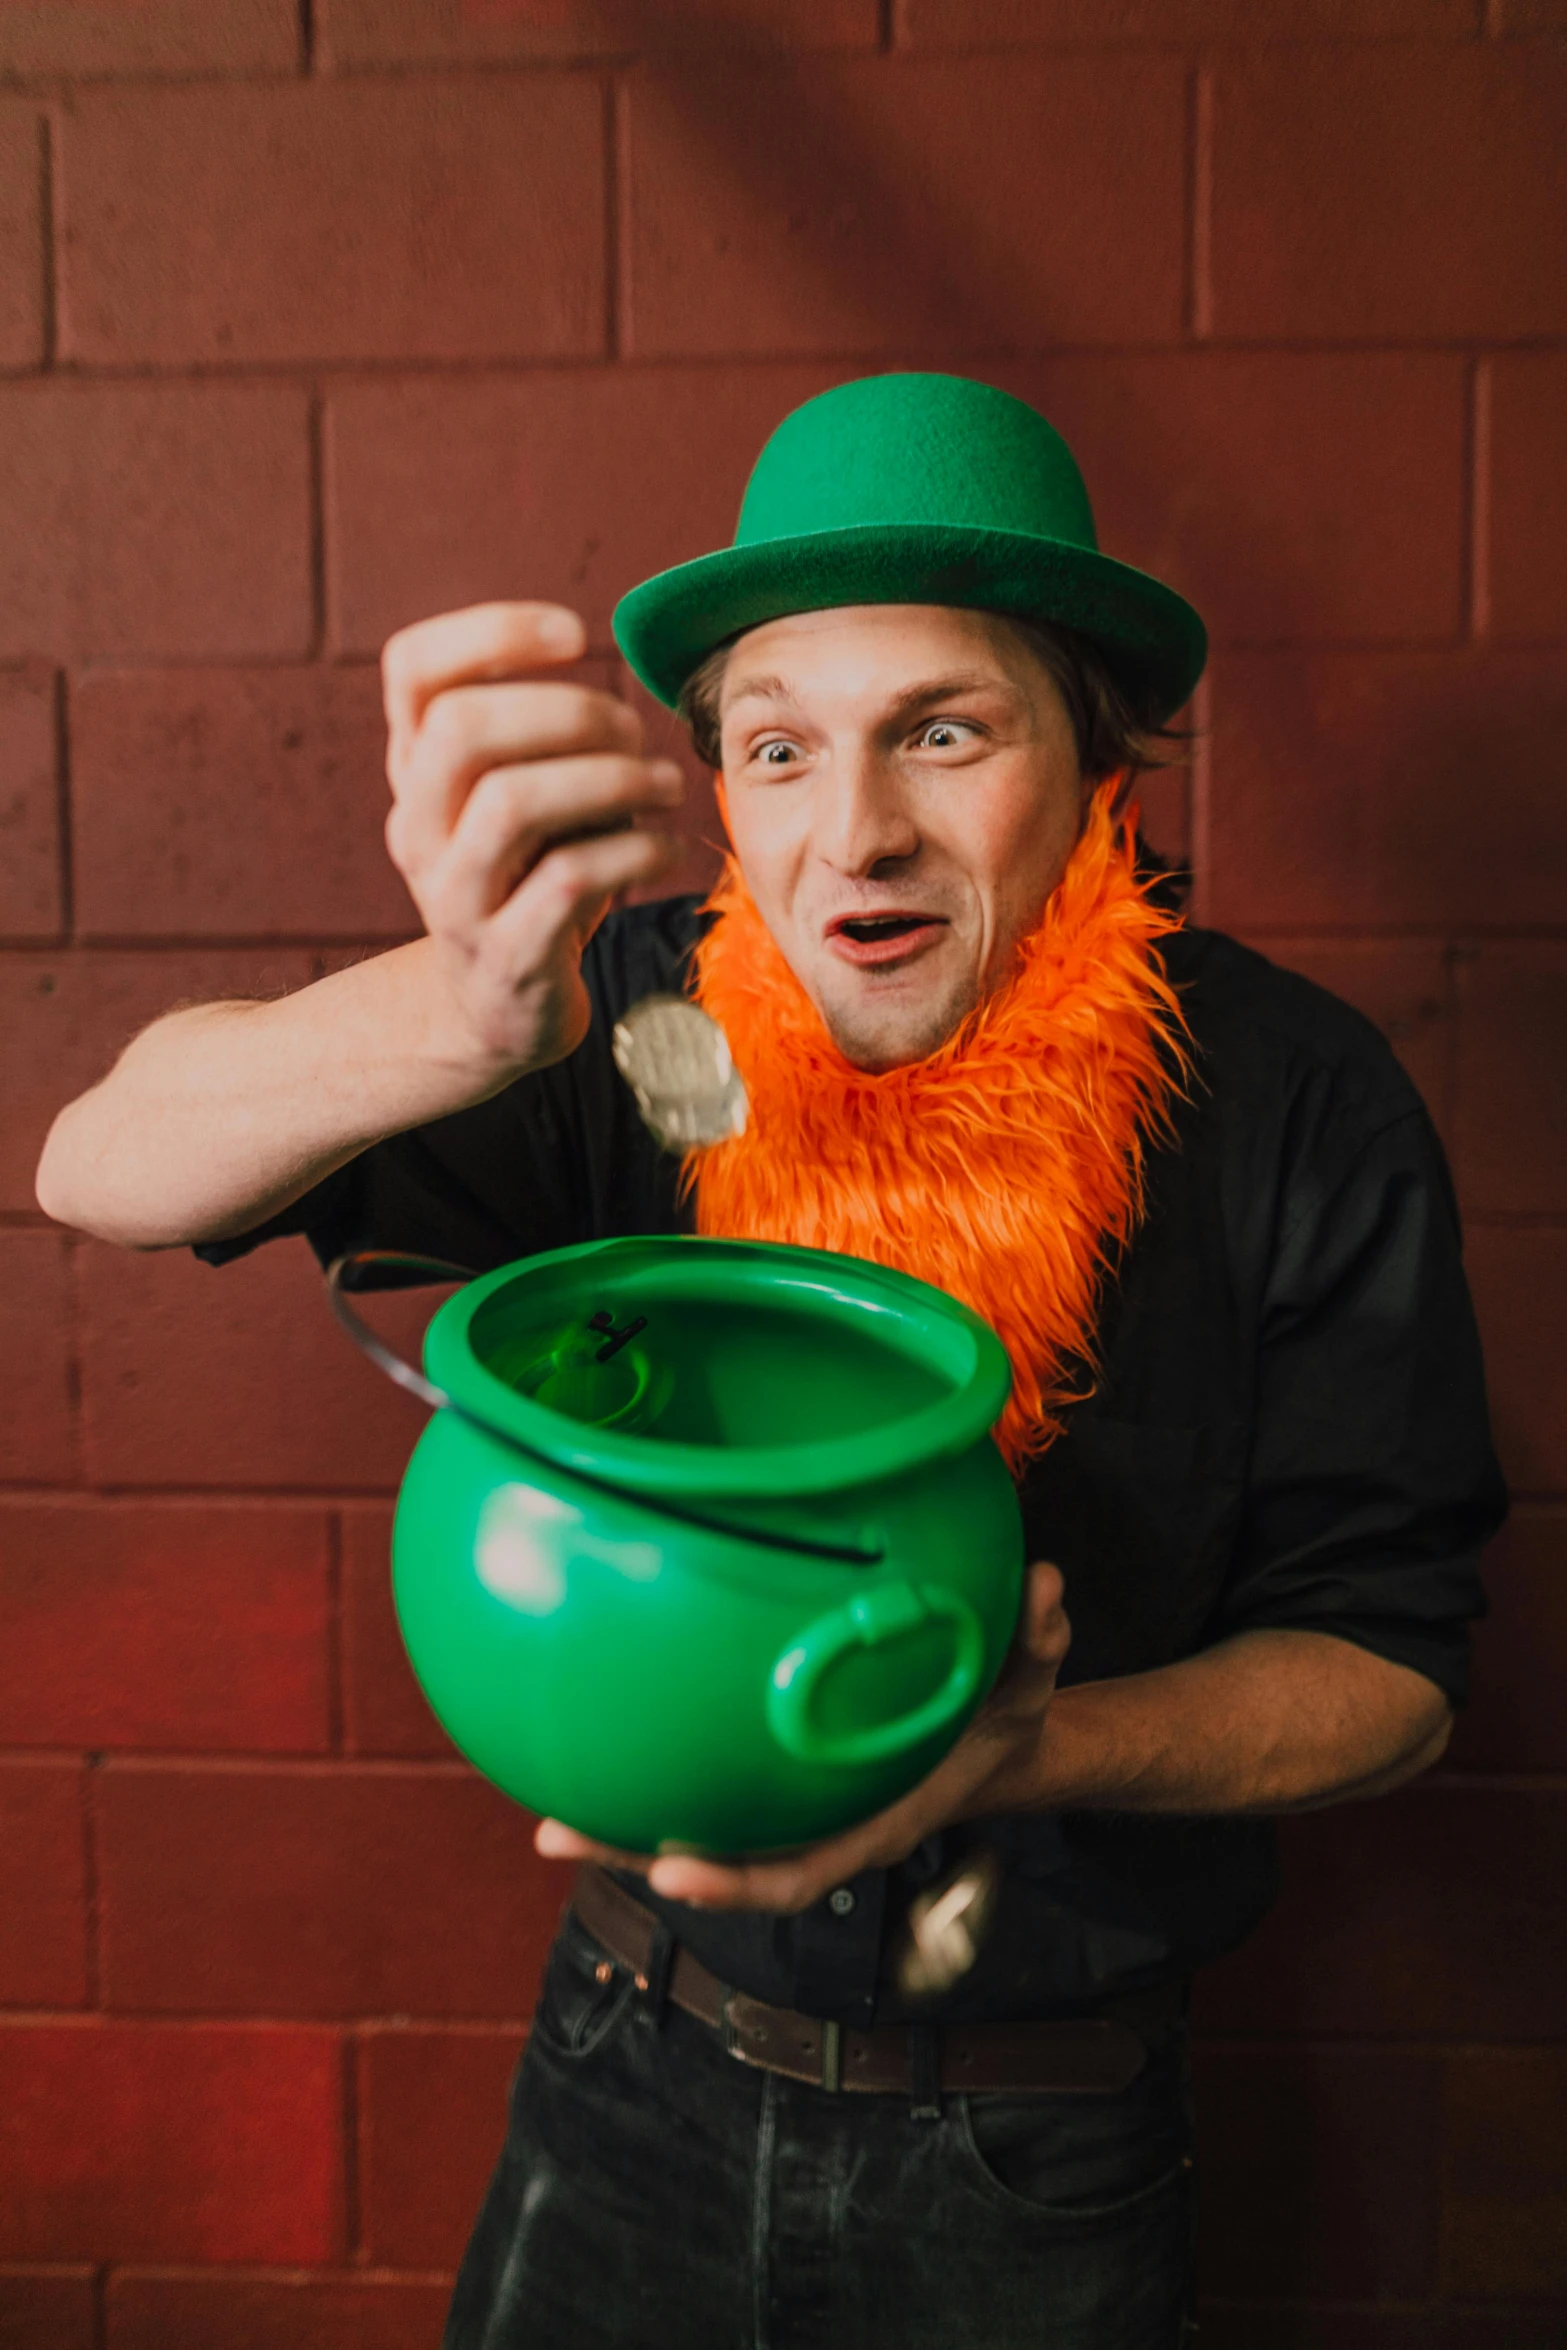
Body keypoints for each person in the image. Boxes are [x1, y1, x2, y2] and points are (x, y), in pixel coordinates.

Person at [36, 374, 1505, 2350]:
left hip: (1038, 2149)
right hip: (630, 2060)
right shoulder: (637, 1024)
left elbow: (1394, 1677)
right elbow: (101, 1163)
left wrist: (1023, 1748)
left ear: (1095, 754)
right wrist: (473, 1012)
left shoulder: (1298, 1103)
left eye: (947, 731)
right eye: (779, 746)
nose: (856, 833)